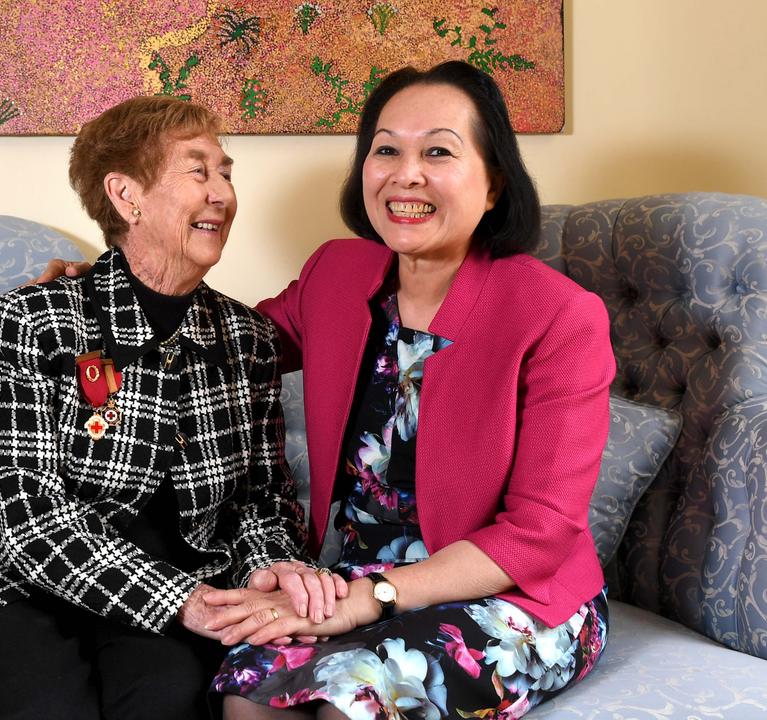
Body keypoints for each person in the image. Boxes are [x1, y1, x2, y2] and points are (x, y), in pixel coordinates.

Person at [38, 61, 615, 719]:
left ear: (493, 184)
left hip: (513, 595)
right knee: (248, 688)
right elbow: (222, 342)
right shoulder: (339, 271)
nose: (407, 173)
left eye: (438, 152)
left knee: (353, 701)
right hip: (349, 584)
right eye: (386, 150)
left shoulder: (559, 316)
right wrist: (106, 297)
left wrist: (377, 598)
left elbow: (542, 531)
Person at [0, 95, 344, 720]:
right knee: (45, 707)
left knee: (170, 700)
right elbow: (20, 505)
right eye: (198, 171)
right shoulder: (38, 317)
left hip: (161, 592)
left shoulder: (247, 341)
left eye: (226, 172)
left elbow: (261, 499)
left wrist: (270, 575)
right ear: (127, 196)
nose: (222, 193)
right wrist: (182, 601)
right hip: (11, 583)